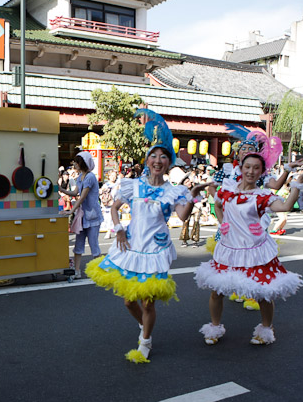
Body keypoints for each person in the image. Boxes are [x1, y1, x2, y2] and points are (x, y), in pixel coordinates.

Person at [86, 109, 211, 363]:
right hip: (131, 247)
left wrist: (193, 194)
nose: (157, 159)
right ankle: (144, 326)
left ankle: (146, 341)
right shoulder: (134, 184)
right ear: (147, 160)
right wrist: (119, 229)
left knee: (149, 303)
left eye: (163, 156)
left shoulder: (173, 191)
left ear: (169, 162)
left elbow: (184, 216)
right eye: (153, 155)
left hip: (156, 250)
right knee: (129, 303)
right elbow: (113, 207)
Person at [195, 144, 303, 346]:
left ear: (261, 172)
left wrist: (298, 182)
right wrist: (223, 224)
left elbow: (285, 206)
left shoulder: (262, 195)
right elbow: (217, 204)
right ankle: (215, 327)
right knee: (217, 291)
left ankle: (266, 329)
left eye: (256, 168)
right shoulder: (227, 190)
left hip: (255, 250)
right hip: (228, 249)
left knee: (263, 293)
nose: (251, 171)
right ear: (240, 168)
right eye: (247, 167)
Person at [59, 151, 102, 279]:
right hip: (83, 216)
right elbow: (75, 193)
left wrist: (71, 211)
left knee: (93, 244)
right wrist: (61, 190)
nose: (75, 164)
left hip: (92, 215)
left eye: (77, 162)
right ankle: (77, 271)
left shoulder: (90, 177)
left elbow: (82, 197)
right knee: (79, 243)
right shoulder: (80, 177)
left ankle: (99, 271)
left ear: (82, 163)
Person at [179, 175, 202, 247]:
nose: (189, 183)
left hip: (196, 207)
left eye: (189, 181)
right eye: (186, 182)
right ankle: (184, 239)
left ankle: (195, 240)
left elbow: (199, 199)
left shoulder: (195, 189)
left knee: (196, 222)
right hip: (186, 208)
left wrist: (197, 205)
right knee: (185, 222)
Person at [100, 170, 118, 239]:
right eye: (112, 176)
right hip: (107, 204)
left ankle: (113, 231)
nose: (113, 177)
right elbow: (101, 194)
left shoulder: (117, 185)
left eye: (115, 176)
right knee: (108, 218)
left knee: (115, 217)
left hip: (115, 203)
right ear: (109, 176)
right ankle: (109, 231)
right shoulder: (106, 185)